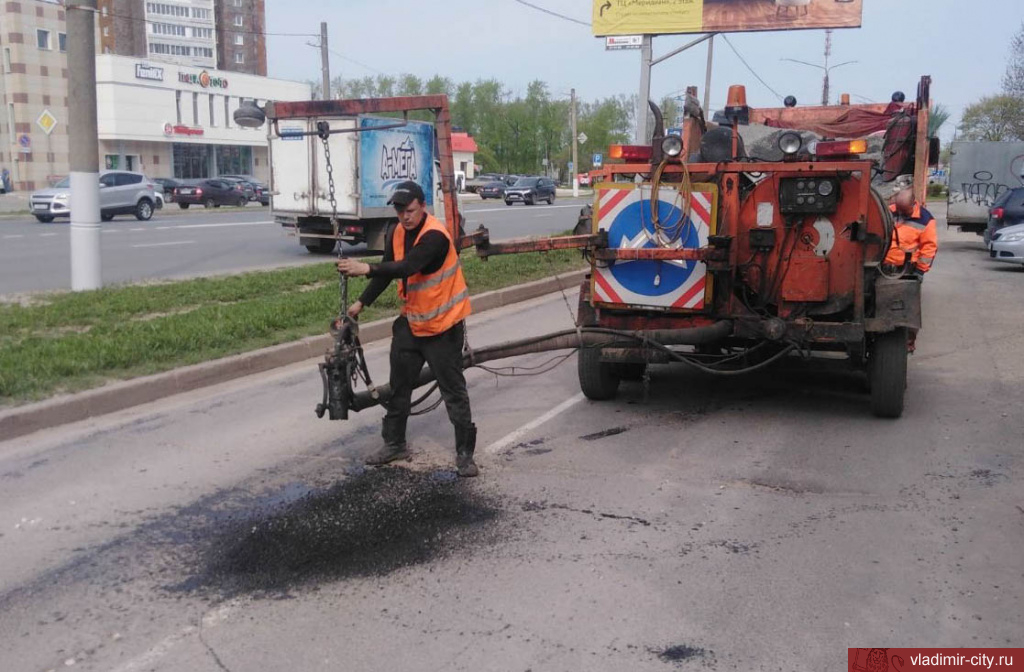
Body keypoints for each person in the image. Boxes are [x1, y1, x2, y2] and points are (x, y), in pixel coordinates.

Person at [336, 180, 478, 477]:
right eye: (400, 211)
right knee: (399, 387)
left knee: (453, 391)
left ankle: (465, 455)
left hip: (443, 327)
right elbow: (390, 268)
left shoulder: (436, 236)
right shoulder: (397, 232)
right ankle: (394, 444)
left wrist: (367, 268)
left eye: (410, 210)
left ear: (422, 206)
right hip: (412, 324)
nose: (405, 217)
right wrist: (361, 303)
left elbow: (408, 267)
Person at [883, 187, 938, 352]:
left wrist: (920, 271)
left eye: (904, 210)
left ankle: (907, 343)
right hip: (883, 267)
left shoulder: (925, 219)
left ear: (913, 203)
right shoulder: (889, 211)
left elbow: (929, 247)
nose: (900, 213)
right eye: (898, 209)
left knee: (908, 310)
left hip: (906, 270)